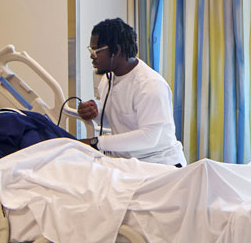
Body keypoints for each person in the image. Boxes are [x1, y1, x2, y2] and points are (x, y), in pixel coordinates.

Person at [78, 17, 186, 166]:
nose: (92, 55)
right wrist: (96, 111)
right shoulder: (107, 80)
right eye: (91, 49)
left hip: (159, 164)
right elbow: (124, 117)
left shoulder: (150, 85)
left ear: (117, 50)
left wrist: (96, 142)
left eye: (97, 50)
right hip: (127, 163)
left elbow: (148, 137)